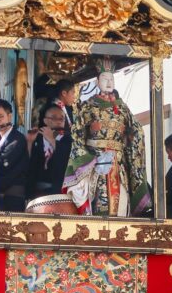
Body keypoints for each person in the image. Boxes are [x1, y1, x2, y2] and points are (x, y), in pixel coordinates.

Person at [64, 58, 151, 216]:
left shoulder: (123, 107)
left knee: (121, 202)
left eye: (111, 79)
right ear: (97, 82)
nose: (109, 82)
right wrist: (90, 157)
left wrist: (127, 137)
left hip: (118, 163)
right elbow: (77, 134)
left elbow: (137, 130)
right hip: (97, 163)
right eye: (105, 79)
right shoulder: (89, 106)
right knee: (100, 200)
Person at [26, 103, 72, 199]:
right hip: (37, 189)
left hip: (58, 188)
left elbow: (66, 158)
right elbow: (28, 162)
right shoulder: (38, 138)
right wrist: (29, 142)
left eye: (62, 119)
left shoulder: (68, 139)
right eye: (54, 118)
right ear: (45, 121)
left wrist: (52, 140)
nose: (59, 122)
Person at [0, 99, 29, 211]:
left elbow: (2, 164)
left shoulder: (18, 139)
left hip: (12, 199)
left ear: (9, 116)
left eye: (0, 117)